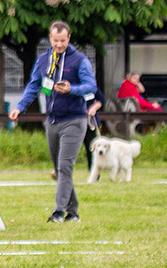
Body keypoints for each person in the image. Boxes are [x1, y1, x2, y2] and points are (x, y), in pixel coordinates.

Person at [8, 21, 102, 222]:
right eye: (55, 40)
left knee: (64, 166)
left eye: (63, 41)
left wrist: (72, 89)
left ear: (68, 38)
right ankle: (73, 212)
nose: (59, 45)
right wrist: (19, 107)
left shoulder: (79, 60)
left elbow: (91, 86)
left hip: (74, 120)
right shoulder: (44, 60)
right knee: (60, 169)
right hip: (51, 121)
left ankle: (58, 212)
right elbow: (34, 85)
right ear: (50, 39)